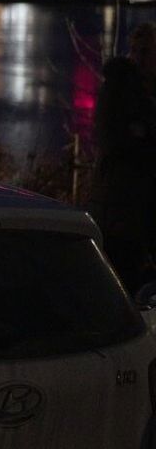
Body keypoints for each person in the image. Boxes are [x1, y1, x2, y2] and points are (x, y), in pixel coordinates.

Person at [92, 21, 156, 288]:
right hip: (121, 205)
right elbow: (114, 142)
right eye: (137, 51)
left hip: (141, 206)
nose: (140, 58)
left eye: (146, 51)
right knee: (121, 277)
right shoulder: (118, 89)